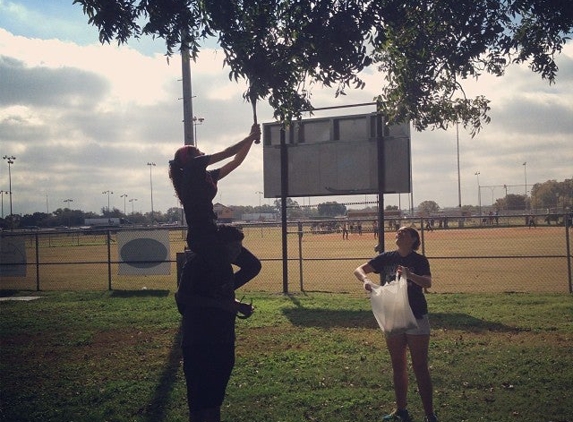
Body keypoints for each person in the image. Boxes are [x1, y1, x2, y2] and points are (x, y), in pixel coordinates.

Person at [354, 226, 438, 422]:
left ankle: (430, 414)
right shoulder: (387, 257)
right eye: (398, 232)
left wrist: (410, 276)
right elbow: (359, 269)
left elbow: (427, 283)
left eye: (404, 233)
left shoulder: (419, 260)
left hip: (416, 315)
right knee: (398, 365)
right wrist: (365, 280)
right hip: (393, 316)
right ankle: (402, 411)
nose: (399, 234)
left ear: (413, 240)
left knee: (420, 366)